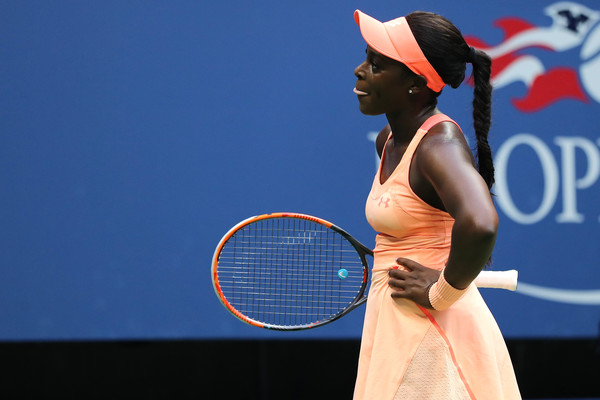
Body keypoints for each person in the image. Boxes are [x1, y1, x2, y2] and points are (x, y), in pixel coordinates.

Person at [352, 9, 521, 399]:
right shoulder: (389, 140)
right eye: (366, 59)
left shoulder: (438, 145)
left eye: (376, 65)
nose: (360, 71)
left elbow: (480, 223)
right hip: (397, 326)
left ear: (415, 83)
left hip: (433, 336)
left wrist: (440, 292)